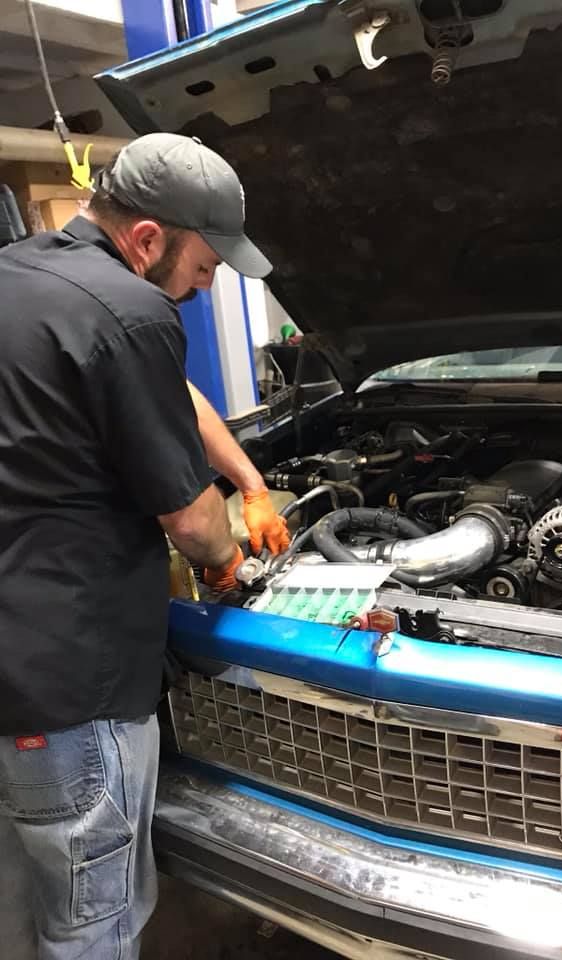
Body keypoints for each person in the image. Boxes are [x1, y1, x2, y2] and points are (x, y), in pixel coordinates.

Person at [0, 133, 290, 959]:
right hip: (72, 689)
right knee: (95, 919)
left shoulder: (22, 272)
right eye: (204, 266)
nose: (205, 286)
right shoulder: (131, 309)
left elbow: (166, 388)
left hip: (13, 662)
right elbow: (192, 523)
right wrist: (230, 565)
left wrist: (251, 479)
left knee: (26, 892)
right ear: (149, 237)